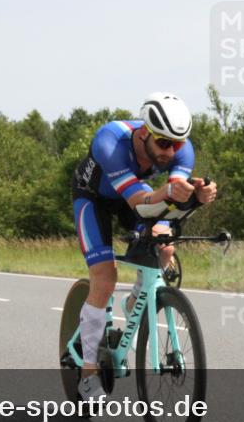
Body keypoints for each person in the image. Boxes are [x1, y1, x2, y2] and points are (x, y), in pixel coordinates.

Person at [71, 93, 217, 401]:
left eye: (176, 145)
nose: (170, 152)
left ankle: (136, 300)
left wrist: (196, 197)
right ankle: (87, 372)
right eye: (163, 144)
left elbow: (172, 199)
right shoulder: (110, 142)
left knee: (165, 247)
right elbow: (140, 202)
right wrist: (168, 191)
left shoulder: (180, 148)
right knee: (105, 277)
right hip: (93, 197)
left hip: (134, 196)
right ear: (144, 133)